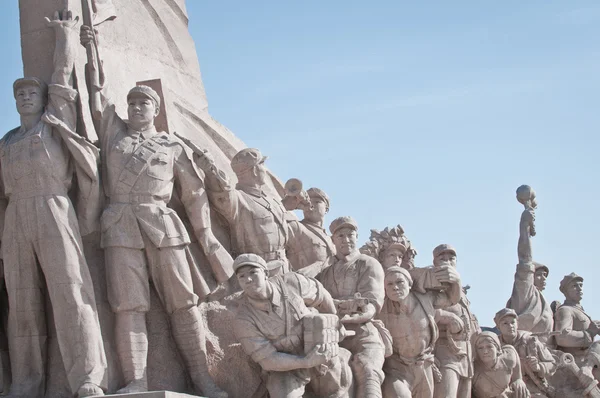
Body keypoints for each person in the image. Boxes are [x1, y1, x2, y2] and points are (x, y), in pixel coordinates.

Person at [80, 25, 229, 397]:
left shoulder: (171, 146)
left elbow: (193, 194)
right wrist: (92, 50)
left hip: (164, 226)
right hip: (120, 225)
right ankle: (137, 380)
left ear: (156, 110)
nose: (135, 107)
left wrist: (206, 236)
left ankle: (202, 378)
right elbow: (96, 95)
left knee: (184, 304)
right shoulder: (113, 133)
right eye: (131, 102)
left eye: (143, 103)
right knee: (128, 307)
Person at [0, 10, 107, 397]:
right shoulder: (7, 141)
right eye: (18, 94)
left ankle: (87, 378)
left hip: (53, 207)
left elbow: (62, 82)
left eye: (30, 92)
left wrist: (64, 37)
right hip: (16, 215)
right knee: (22, 302)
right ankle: (27, 383)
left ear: (42, 99)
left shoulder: (53, 123)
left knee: (71, 292)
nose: (25, 96)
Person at [233, 253, 353, 398]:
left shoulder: (291, 282)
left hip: (318, 349)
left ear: (265, 273)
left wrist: (335, 321)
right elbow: (267, 359)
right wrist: (305, 362)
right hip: (287, 366)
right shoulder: (243, 318)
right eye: (242, 276)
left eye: (253, 272)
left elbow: (321, 294)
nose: (248, 279)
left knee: (337, 390)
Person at [194, 147, 294, 276]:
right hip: (257, 272)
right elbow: (222, 193)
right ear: (255, 170)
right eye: (262, 165)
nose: (265, 170)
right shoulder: (238, 198)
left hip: (284, 268)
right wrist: (210, 171)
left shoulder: (272, 200)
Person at [317, 216, 387, 398]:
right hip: (333, 334)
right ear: (333, 240)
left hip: (363, 333)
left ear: (357, 237)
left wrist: (350, 315)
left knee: (368, 370)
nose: (346, 239)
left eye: (350, 235)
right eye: (340, 236)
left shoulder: (368, 263)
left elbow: (371, 306)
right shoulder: (324, 273)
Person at [378, 266, 462, 398]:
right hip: (396, 369)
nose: (395, 287)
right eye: (389, 284)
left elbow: (451, 299)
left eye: (399, 282)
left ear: (409, 284)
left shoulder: (425, 299)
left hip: (424, 366)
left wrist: (456, 282)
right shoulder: (380, 310)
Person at [432, 244, 480, 398]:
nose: (447, 262)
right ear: (435, 262)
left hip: (466, 355)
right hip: (445, 352)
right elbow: (424, 313)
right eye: (442, 258)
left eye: (451, 258)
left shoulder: (461, 291)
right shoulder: (431, 286)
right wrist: (448, 317)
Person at [506, 185, 553, 343]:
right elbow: (525, 258)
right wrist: (524, 227)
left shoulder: (542, 300)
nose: (543, 278)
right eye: (539, 275)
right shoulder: (525, 291)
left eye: (545, 275)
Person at [495, 308, 557, 398]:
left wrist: (538, 367)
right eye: (505, 323)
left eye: (513, 322)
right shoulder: (495, 346)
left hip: (533, 390)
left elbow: (552, 364)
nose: (510, 326)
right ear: (498, 327)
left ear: (517, 324)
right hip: (507, 391)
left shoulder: (530, 340)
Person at [286, 187, 336, 277]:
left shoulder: (332, 240)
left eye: (317, 202)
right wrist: (286, 205)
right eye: (308, 202)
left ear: (326, 209)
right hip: (302, 285)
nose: (311, 205)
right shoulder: (295, 227)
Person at [554, 273, 600, 364]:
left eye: (581, 285)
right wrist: (589, 333)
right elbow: (562, 337)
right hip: (575, 361)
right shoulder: (565, 310)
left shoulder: (579, 310)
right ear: (566, 291)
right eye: (574, 286)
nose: (579, 288)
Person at [472, 332, 530, 398]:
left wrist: (518, 380)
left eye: (489, 347)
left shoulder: (508, 358)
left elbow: (512, 351)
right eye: (480, 348)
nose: (485, 351)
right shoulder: (473, 369)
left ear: (497, 348)